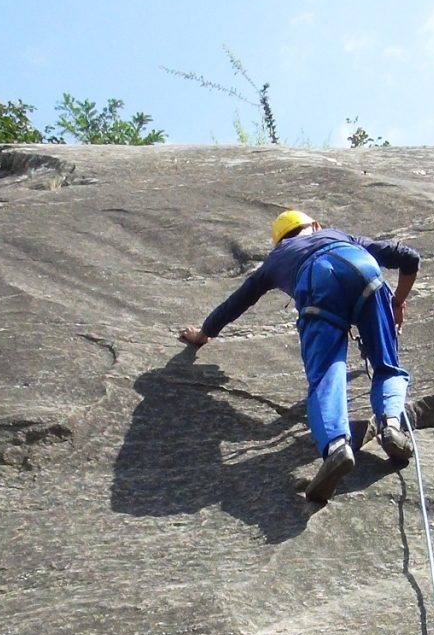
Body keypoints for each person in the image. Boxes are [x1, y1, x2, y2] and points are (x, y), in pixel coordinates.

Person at [180, 209, 420, 502]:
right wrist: (396, 302)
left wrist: (203, 334)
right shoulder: (339, 235)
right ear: (316, 225)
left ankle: (336, 447)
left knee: (326, 374)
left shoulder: (277, 259)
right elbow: (409, 258)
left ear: (279, 242)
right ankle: (392, 425)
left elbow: (236, 303)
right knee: (387, 365)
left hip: (317, 282)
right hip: (362, 267)